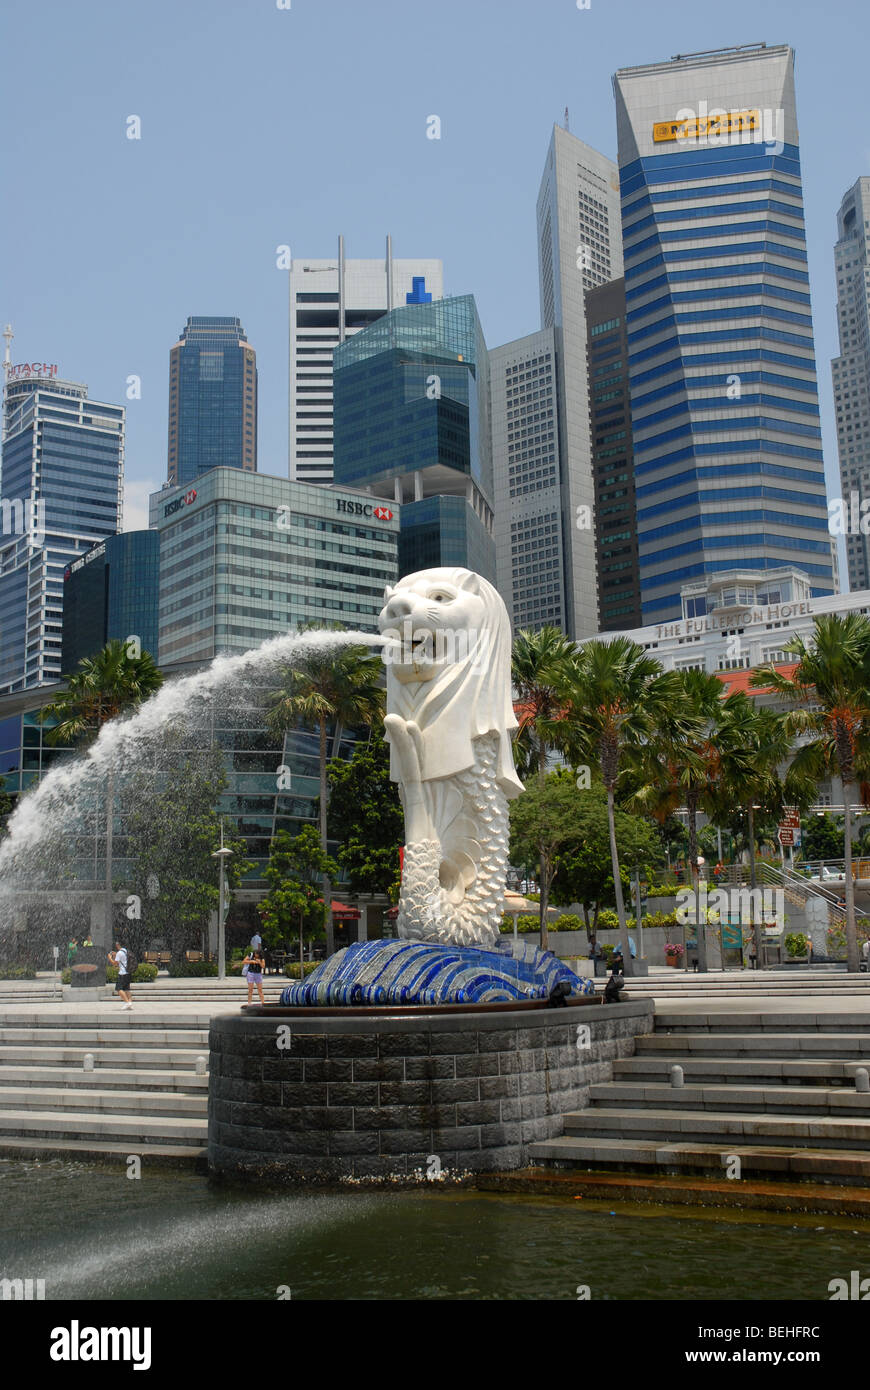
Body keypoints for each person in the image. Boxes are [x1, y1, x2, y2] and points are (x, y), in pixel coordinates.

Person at [109, 940, 133, 1009]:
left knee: (119, 989)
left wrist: (110, 958)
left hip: (122, 973)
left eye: (116, 945)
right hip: (128, 972)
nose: (116, 946)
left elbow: (115, 964)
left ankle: (127, 1002)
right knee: (127, 989)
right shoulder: (125, 951)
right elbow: (123, 958)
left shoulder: (119, 953)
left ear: (118, 945)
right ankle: (130, 1003)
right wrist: (116, 954)